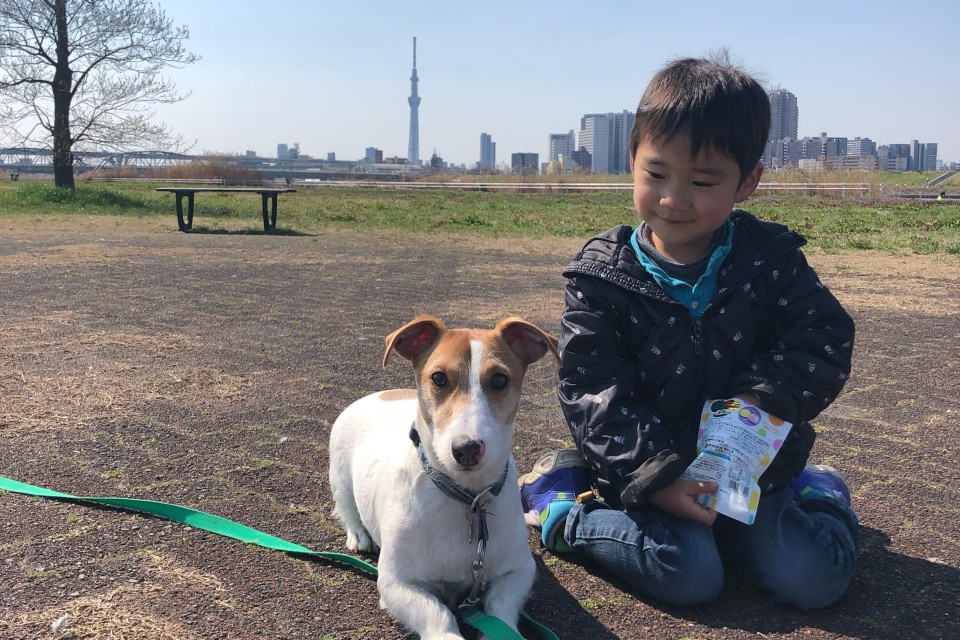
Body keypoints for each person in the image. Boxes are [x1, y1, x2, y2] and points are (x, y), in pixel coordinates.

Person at [520, 55, 859, 610]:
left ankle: (818, 495)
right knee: (689, 576)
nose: (674, 199)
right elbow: (591, 389)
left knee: (813, 580)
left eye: (702, 181)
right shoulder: (603, 277)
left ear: (747, 182)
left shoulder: (770, 260)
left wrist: (762, 396)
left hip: (756, 471)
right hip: (650, 468)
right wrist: (656, 480)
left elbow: (822, 338)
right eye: (657, 175)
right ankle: (563, 506)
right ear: (632, 161)